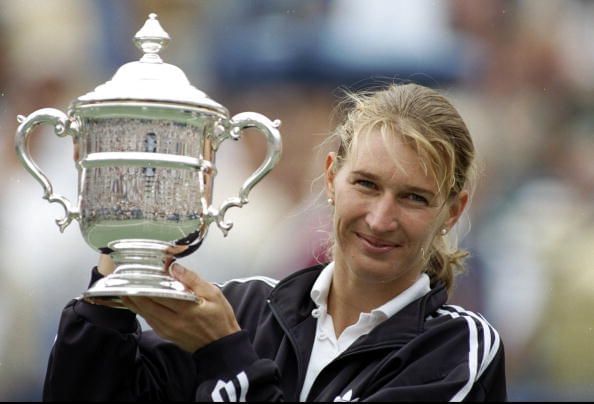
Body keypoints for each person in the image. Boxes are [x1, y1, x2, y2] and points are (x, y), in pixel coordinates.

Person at [43, 83, 507, 401]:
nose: (381, 218)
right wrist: (114, 274)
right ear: (330, 178)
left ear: (453, 211)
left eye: (413, 198)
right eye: (366, 185)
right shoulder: (246, 307)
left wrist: (226, 356)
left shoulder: (458, 350)